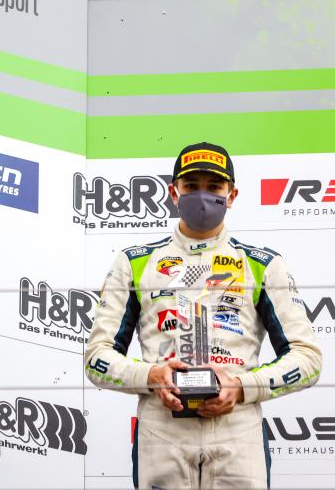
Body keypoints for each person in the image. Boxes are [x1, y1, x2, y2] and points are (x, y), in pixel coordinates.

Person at [85, 142, 322, 489]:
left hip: (238, 433)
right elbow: (96, 358)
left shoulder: (261, 264)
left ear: (232, 195)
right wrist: (151, 375)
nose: (202, 196)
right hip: (161, 432)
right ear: (173, 192)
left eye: (214, 187)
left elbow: (308, 359)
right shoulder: (134, 262)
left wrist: (241, 387)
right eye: (191, 186)